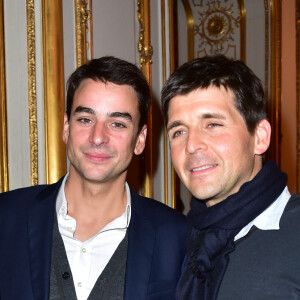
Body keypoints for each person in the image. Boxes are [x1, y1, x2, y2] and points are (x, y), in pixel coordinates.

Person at [0, 56, 187, 300]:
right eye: (86, 119)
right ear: (66, 127)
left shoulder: (178, 238)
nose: (98, 137)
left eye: (118, 124)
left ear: (140, 139)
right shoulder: (5, 218)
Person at [161, 55, 300, 300]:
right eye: (179, 131)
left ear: (260, 137)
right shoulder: (174, 244)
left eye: (213, 124)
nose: (191, 145)